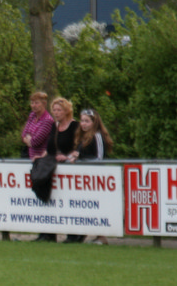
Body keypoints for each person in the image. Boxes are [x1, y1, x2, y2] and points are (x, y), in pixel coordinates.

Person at [68, 108, 114, 245]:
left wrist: (80, 157)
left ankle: (101, 237)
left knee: (97, 207)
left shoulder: (98, 136)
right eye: (82, 121)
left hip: (96, 179)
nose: (83, 124)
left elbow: (99, 158)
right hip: (84, 179)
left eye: (87, 121)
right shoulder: (82, 138)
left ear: (94, 122)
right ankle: (83, 234)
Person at [47, 97, 83, 243]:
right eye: (54, 110)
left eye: (59, 110)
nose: (56, 113)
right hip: (56, 168)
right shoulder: (53, 127)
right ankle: (49, 234)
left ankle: (74, 234)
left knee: (72, 202)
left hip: (72, 169)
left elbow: (80, 146)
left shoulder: (75, 126)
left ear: (66, 111)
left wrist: (68, 157)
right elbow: (49, 147)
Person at [20, 91, 55, 242]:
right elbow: (24, 135)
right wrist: (28, 139)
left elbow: (36, 141)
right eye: (32, 102)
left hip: (42, 161)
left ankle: (49, 234)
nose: (34, 106)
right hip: (31, 158)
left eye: (37, 103)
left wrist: (29, 139)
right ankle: (42, 232)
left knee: (43, 194)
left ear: (44, 104)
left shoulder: (47, 120)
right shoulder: (31, 116)